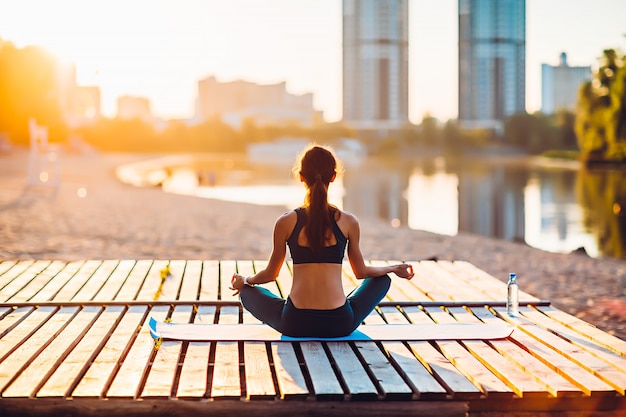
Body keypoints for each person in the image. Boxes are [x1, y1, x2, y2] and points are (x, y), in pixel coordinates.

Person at [230, 144, 414, 337]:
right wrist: (392, 268)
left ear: (301, 176)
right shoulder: (348, 221)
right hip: (340, 323)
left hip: (294, 323)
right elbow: (361, 272)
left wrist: (245, 281)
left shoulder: (286, 222)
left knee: (247, 292)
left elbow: (270, 275)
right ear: (333, 177)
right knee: (381, 280)